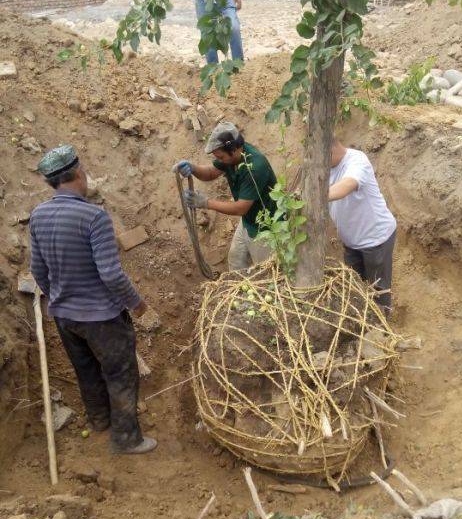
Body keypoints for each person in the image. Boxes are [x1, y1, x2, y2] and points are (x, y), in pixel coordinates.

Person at [30, 145, 157, 454]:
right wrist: (138, 305)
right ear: (77, 174)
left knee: (86, 371)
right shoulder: (93, 216)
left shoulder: (38, 215)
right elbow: (111, 275)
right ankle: (127, 439)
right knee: (121, 373)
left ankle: (99, 421)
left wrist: (59, 296)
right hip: (101, 318)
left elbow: (37, 269)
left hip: (64, 316)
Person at [175, 122, 277, 271]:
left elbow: (240, 208)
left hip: (265, 228)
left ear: (233, 149)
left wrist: (205, 202)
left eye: (221, 157)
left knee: (266, 272)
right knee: (236, 262)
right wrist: (192, 168)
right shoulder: (232, 157)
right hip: (249, 221)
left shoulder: (255, 167)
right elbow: (210, 172)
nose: (220, 160)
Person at [328, 139, 397, 314]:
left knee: (378, 291)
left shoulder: (356, 161)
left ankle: (382, 331)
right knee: (354, 290)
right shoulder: (323, 167)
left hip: (375, 240)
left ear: (331, 148)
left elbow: (347, 185)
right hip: (351, 243)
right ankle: (363, 322)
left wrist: (313, 194)